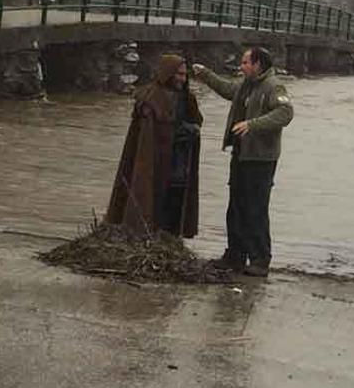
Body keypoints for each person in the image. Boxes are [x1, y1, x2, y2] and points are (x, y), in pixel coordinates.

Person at [192, 47, 293, 276]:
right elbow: (229, 89)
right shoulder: (247, 84)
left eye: (246, 62)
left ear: (258, 65)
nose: (242, 66)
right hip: (240, 153)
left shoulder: (273, 86)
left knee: (256, 208)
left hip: (261, 158)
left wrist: (252, 124)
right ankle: (235, 256)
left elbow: (285, 112)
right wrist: (206, 74)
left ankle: (260, 259)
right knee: (236, 206)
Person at [106, 53, 203, 238]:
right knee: (151, 194)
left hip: (178, 158)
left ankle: (169, 235)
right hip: (154, 159)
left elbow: (194, 120)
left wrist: (189, 130)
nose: (182, 79)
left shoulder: (186, 98)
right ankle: (147, 231)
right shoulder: (149, 98)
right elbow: (148, 136)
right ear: (168, 74)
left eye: (184, 75)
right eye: (178, 74)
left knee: (176, 196)